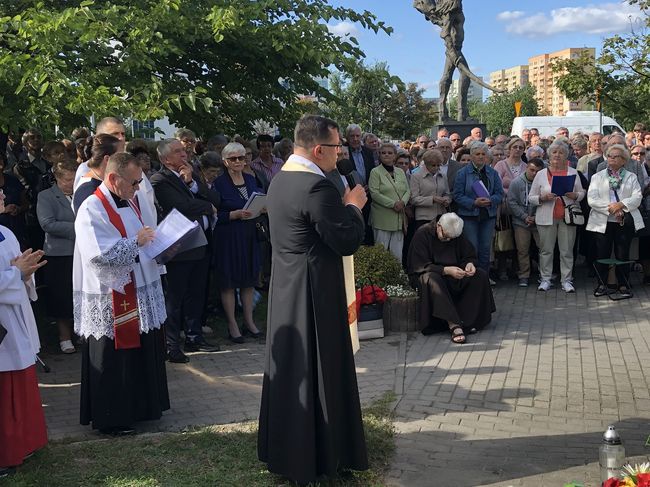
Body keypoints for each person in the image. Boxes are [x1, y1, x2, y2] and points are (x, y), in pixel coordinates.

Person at [258, 114, 368, 484]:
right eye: (337, 148)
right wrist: (353, 205)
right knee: (322, 371)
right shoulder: (317, 188)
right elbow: (347, 240)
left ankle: (289, 452)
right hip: (314, 292)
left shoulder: (280, 180)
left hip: (287, 288)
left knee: (293, 371)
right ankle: (322, 456)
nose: (340, 155)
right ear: (319, 149)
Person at [73, 152, 169, 434]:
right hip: (111, 295)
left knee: (141, 349)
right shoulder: (92, 208)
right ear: (114, 179)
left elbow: (143, 238)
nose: (138, 188)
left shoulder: (131, 202)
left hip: (139, 286)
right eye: (134, 182)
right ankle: (112, 418)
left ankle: (142, 408)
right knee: (116, 357)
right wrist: (136, 242)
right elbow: (98, 255)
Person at [150, 139, 220, 364]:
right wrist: (206, 207)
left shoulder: (191, 174)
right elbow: (180, 206)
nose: (184, 154)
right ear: (165, 158)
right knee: (176, 296)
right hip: (180, 246)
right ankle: (172, 344)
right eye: (178, 152)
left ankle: (194, 335)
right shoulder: (160, 180)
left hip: (201, 242)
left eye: (184, 151)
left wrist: (192, 184)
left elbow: (214, 197)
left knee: (197, 293)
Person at [0, 190, 48, 476]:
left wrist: (26, 273)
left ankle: (21, 443)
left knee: (17, 382)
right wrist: (15, 274)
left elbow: (18, 271)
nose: (4, 193)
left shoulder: (5, 231)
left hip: (14, 317)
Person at [408, 212, 495, 344]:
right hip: (430, 272)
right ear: (439, 226)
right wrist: (445, 270)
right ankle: (453, 324)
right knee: (433, 281)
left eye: (450, 238)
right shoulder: (422, 233)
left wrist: (469, 264)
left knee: (480, 275)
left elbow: (468, 255)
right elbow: (419, 265)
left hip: (455, 272)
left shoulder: (456, 233)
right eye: (445, 237)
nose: (448, 240)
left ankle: (468, 321)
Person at [213, 142, 263, 343]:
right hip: (229, 236)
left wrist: (263, 207)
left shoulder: (251, 179)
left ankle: (249, 322)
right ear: (225, 161)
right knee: (229, 282)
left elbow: (258, 198)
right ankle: (233, 325)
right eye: (233, 158)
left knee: (248, 280)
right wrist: (232, 215)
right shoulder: (219, 183)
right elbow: (214, 212)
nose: (238, 162)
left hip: (249, 234)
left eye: (241, 157)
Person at [587, 144, 644, 298]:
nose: (611, 158)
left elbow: (637, 197)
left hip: (624, 221)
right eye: (610, 156)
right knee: (602, 253)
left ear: (624, 160)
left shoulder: (631, 176)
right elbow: (592, 199)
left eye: (616, 156)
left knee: (622, 254)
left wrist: (621, 205)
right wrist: (611, 208)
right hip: (602, 220)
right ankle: (602, 284)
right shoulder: (597, 177)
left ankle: (623, 284)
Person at [529, 141, 585, 293]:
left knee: (566, 250)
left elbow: (582, 193)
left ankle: (567, 280)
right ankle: (545, 279)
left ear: (566, 155)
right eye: (554, 152)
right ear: (549, 154)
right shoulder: (541, 174)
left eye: (561, 152)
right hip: (546, 216)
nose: (557, 155)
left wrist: (575, 195)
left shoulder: (573, 172)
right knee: (546, 250)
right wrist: (542, 197)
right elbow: (531, 197)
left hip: (567, 217)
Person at [36, 159, 77, 353]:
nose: (71, 183)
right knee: (61, 296)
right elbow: (47, 224)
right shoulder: (46, 196)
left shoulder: (81, 193)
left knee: (79, 293)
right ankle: (64, 337)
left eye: (74, 179)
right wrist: (79, 228)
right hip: (59, 254)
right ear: (57, 179)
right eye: (67, 180)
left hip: (80, 253)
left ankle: (81, 333)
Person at [453, 141, 504, 273]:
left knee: (485, 248)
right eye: (477, 154)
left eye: (483, 154)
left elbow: (499, 194)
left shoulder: (492, 173)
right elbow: (457, 195)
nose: (480, 157)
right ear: (472, 155)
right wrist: (473, 203)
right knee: (472, 248)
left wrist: (490, 200)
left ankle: (484, 279)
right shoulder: (462, 173)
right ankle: (472, 278)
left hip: (488, 215)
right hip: (469, 216)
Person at [368, 143, 410, 261]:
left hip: (398, 219)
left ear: (395, 155)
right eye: (383, 152)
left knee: (397, 255)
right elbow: (374, 193)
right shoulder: (375, 172)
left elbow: (408, 189)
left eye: (390, 153)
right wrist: (393, 204)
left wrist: (403, 202)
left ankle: (397, 279)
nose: (386, 155)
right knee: (380, 255)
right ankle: (380, 279)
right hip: (382, 219)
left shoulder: (401, 172)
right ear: (379, 155)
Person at [507, 158, 544, 287]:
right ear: (526, 168)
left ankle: (544, 274)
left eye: (537, 171)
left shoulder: (543, 183)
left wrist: (535, 216)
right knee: (522, 249)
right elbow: (511, 202)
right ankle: (524, 275)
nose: (534, 173)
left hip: (538, 220)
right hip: (521, 222)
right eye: (532, 170)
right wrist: (524, 216)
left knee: (543, 248)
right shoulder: (516, 183)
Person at [409, 149, 451, 232]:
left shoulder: (442, 175)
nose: (436, 168)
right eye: (433, 165)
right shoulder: (416, 176)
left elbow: (447, 193)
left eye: (438, 165)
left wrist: (447, 200)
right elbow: (413, 199)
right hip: (423, 217)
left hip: (441, 216)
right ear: (426, 164)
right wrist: (432, 199)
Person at [0, 151, 29, 248]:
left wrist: (19, 208)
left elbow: (25, 203)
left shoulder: (13, 180)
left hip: (18, 230)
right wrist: (4, 210)